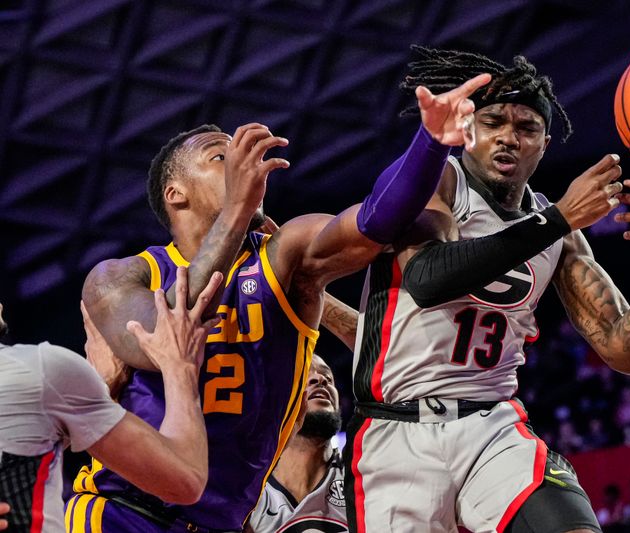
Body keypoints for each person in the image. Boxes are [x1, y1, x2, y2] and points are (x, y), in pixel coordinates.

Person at [76, 73, 493, 532]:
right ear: (177, 194)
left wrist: (431, 143)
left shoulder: (285, 252)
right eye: (221, 157)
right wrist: (237, 207)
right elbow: (160, 339)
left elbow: (376, 221)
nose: (240, 163)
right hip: (116, 511)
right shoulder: (121, 277)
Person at [344, 46, 630, 533]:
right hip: (397, 431)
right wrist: (558, 218)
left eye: (526, 128)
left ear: (545, 144)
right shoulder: (440, 184)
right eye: (494, 123)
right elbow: (426, 280)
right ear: (468, 131)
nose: (509, 137)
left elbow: (624, 349)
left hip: (491, 426)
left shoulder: (560, 232)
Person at [0, 268, 221, 533]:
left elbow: (29, 432)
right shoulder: (37, 370)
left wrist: (98, 389)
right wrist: (179, 365)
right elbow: (186, 481)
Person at [247, 355, 348, 533]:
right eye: (302, 375)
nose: (320, 379)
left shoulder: (362, 476)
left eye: (329, 378)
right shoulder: (248, 492)